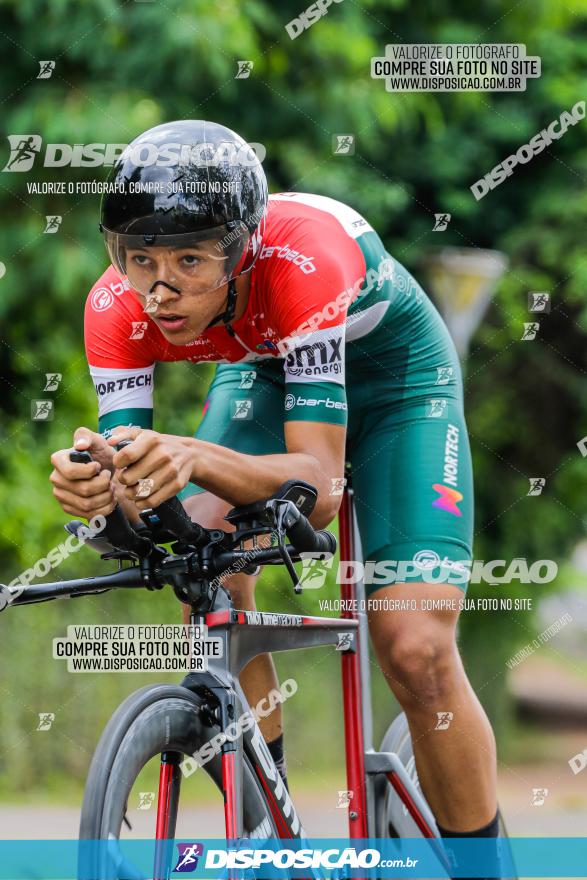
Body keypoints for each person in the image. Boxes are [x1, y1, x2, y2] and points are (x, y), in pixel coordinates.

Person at [50, 119, 499, 847]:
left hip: (398, 388)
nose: (161, 290)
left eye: (191, 260)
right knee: (207, 559)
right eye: (138, 259)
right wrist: (100, 491)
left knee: (414, 647)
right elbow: (141, 484)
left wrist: (189, 453)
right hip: (263, 370)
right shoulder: (115, 306)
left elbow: (317, 486)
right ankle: (270, 837)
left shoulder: (304, 261)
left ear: (241, 248)